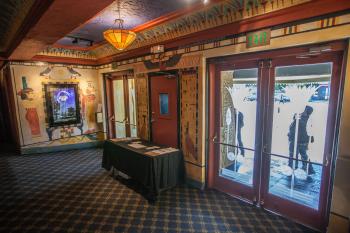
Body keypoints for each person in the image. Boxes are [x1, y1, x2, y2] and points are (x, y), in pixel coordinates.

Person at [287, 105, 315, 175]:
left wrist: (296, 118)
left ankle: (292, 168)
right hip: (300, 140)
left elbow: (297, 126)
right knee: (303, 155)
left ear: (307, 111)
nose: (303, 111)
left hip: (298, 140)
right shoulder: (303, 117)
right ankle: (308, 169)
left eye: (305, 110)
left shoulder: (304, 119)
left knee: (294, 154)